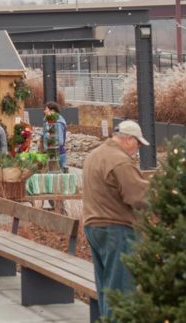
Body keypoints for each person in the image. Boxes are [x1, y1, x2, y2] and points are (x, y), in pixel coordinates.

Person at [82, 120, 151, 320]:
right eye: (137, 143)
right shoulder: (120, 161)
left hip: (94, 227)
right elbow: (138, 197)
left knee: (105, 287)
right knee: (120, 291)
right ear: (128, 138)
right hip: (116, 230)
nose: (137, 149)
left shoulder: (95, 155)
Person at [42, 101, 69, 170]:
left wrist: (47, 136)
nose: (44, 111)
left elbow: (60, 141)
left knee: (59, 178)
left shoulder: (58, 123)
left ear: (52, 111)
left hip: (58, 154)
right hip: (52, 154)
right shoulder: (49, 122)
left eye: (46, 109)